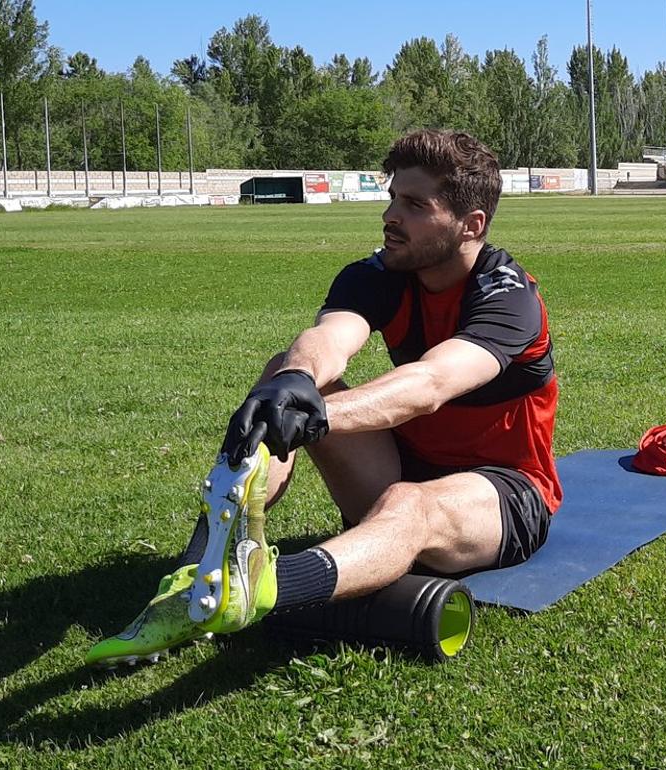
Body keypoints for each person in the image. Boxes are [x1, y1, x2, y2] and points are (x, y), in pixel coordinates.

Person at [87, 129, 561, 666]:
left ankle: (257, 591)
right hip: (402, 468)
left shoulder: (509, 296)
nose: (390, 216)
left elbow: (431, 384)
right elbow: (331, 338)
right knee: (283, 383)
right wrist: (295, 383)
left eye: (414, 204)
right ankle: (192, 575)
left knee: (406, 503)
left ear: (470, 225)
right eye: (391, 198)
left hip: (504, 493)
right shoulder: (384, 271)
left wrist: (318, 418)